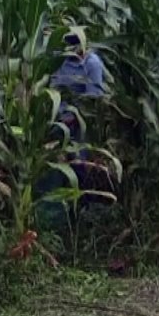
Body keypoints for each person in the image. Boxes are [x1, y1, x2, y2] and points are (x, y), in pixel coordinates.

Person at [35, 26, 107, 227]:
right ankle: (50, 221)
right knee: (50, 171)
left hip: (78, 128)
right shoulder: (60, 60)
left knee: (78, 171)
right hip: (54, 123)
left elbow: (94, 101)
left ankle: (79, 220)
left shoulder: (92, 64)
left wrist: (72, 116)